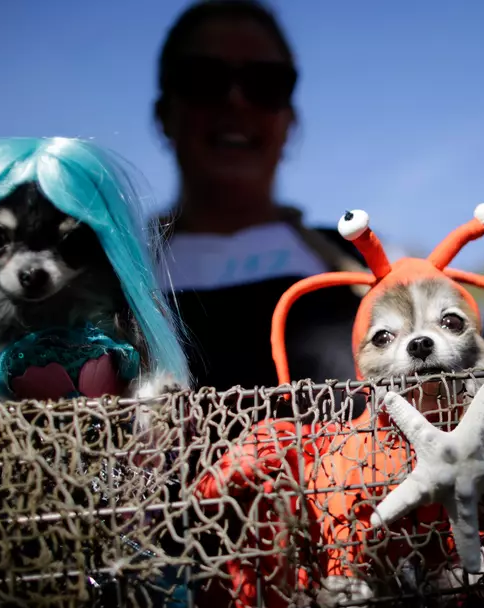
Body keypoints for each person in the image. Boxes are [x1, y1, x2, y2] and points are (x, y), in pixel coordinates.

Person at [151, 0, 366, 393]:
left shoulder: (360, 260)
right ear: (164, 114)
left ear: (290, 121)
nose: (236, 100)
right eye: (204, 79)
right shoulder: (107, 274)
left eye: (266, 83)